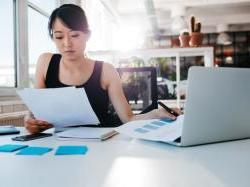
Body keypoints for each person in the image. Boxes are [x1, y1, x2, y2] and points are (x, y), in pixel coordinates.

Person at [25, 4, 180, 134]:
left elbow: (128, 119)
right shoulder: (45, 62)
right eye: (59, 37)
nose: (66, 43)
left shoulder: (106, 71)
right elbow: (37, 111)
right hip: (56, 145)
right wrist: (30, 119)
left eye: (74, 35)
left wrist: (156, 114)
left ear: (88, 35)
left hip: (99, 145)